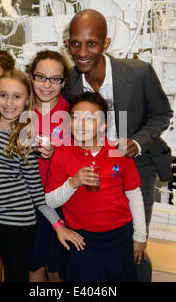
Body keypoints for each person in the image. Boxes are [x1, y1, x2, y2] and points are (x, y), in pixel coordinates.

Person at [62, 9, 173, 281]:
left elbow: (162, 114)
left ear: (106, 44)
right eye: (75, 43)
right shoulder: (70, 84)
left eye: (91, 43)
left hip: (136, 167)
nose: (82, 51)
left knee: (136, 241)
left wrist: (137, 141)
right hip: (93, 170)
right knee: (96, 242)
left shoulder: (139, 72)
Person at [0, 69, 84, 282]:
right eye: (4, 95)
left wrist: (58, 225)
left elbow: (36, 192)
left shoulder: (24, 139)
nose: (9, 102)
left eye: (17, 96)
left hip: (19, 226)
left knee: (17, 277)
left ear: (27, 100)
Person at [45, 91, 147, 282]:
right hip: (82, 239)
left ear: (103, 124)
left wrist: (140, 235)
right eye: (75, 117)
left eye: (90, 118)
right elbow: (50, 200)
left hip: (120, 236)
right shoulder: (62, 155)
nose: (81, 124)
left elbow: (133, 193)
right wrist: (73, 183)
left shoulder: (118, 152)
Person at [29, 50, 72, 282]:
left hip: (61, 200)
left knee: (57, 270)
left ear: (64, 81)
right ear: (32, 77)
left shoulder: (73, 113)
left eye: (55, 79)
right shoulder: (18, 109)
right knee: (33, 265)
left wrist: (57, 154)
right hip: (26, 202)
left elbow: (82, 158)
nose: (47, 85)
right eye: (40, 77)